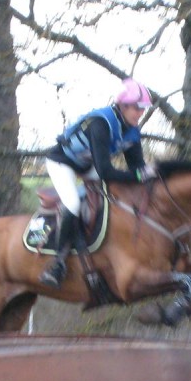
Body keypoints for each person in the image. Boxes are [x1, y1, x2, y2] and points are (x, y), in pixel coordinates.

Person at [39, 77, 157, 287]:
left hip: (86, 165)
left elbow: (136, 167)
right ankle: (57, 263)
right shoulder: (100, 124)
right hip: (62, 162)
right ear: (122, 105)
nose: (140, 113)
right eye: (137, 108)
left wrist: (152, 178)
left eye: (143, 109)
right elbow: (106, 171)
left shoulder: (132, 131)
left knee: (119, 191)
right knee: (73, 204)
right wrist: (140, 176)